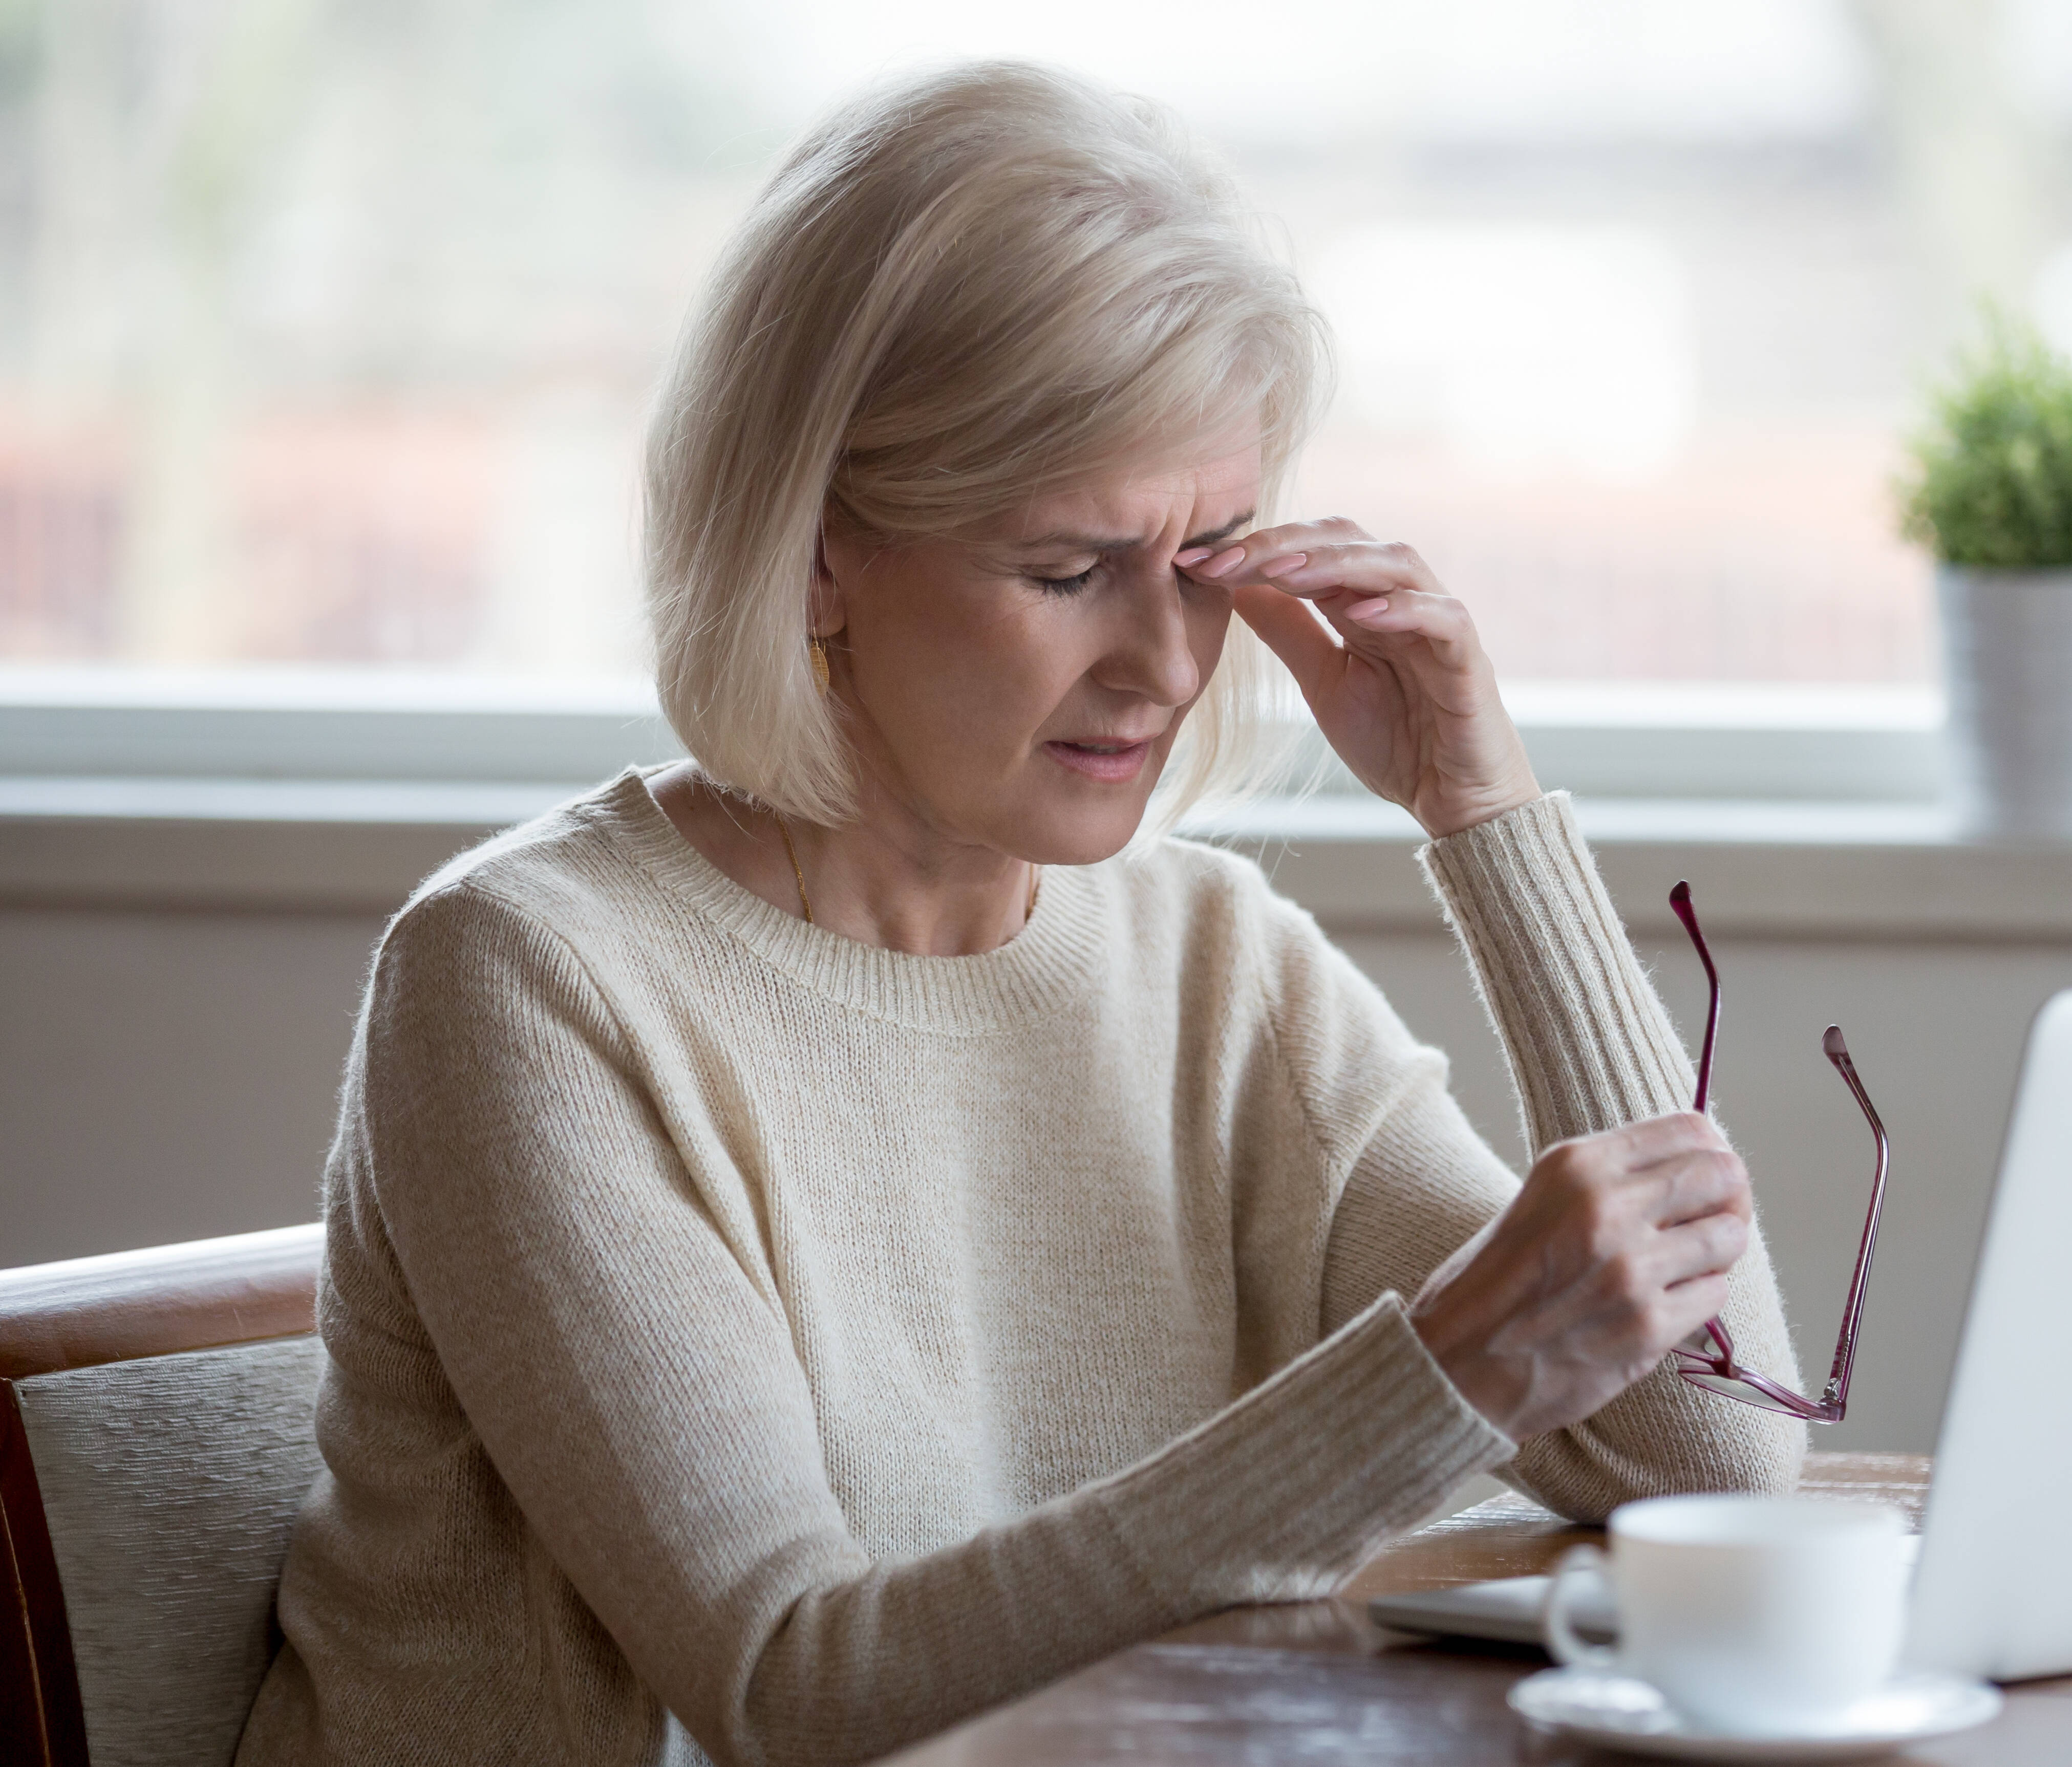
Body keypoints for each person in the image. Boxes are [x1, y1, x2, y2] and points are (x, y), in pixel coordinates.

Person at [236, 60, 1805, 1767]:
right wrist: (1442, 1376)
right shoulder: (529, 981)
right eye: (1067, 571)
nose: (1164, 664)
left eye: (1207, 560)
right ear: (817, 551)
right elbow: (794, 1688)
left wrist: (1487, 817)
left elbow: (1706, 1458)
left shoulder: (1217, 967)